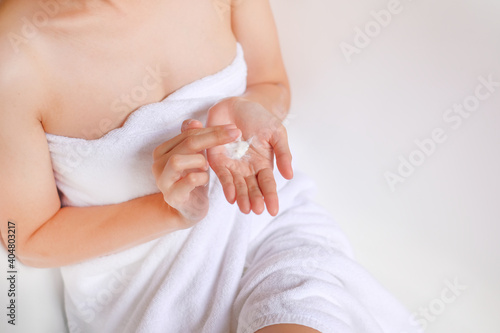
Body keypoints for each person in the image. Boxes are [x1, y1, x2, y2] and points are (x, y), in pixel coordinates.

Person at [0, 1, 421, 332]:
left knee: (305, 309)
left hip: (267, 224)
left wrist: (248, 110)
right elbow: (29, 239)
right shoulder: (15, 57)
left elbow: (270, 81)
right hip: (144, 289)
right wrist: (168, 211)